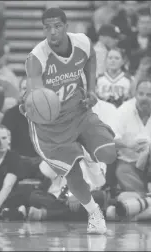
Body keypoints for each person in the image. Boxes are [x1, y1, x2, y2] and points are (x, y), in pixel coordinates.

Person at [22, 7, 117, 234]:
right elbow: (37, 97)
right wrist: (30, 101)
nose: (52, 32)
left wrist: (91, 89)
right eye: (47, 27)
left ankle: (82, 152)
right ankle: (94, 213)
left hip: (78, 110)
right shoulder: (37, 58)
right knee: (73, 175)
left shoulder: (82, 42)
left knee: (108, 154)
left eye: (57, 26)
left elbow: (92, 57)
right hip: (50, 128)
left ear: (66, 26)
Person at [113, 78, 151, 197]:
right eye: (141, 94)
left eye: (149, 95)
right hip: (129, 162)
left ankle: (143, 200)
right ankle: (145, 199)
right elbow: (109, 139)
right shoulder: (123, 111)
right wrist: (128, 145)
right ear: (135, 94)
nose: (144, 98)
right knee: (122, 172)